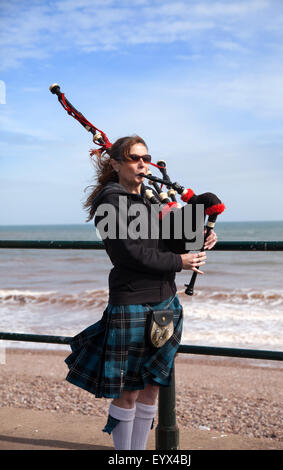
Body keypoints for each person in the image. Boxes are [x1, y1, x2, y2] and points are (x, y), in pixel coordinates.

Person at [65, 135, 217, 450]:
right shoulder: (110, 202)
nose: (142, 163)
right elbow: (128, 254)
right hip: (132, 301)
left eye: (145, 158)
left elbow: (170, 242)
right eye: (134, 158)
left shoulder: (150, 199)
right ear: (116, 163)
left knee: (151, 388)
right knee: (128, 390)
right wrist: (181, 261)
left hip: (164, 302)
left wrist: (199, 233)